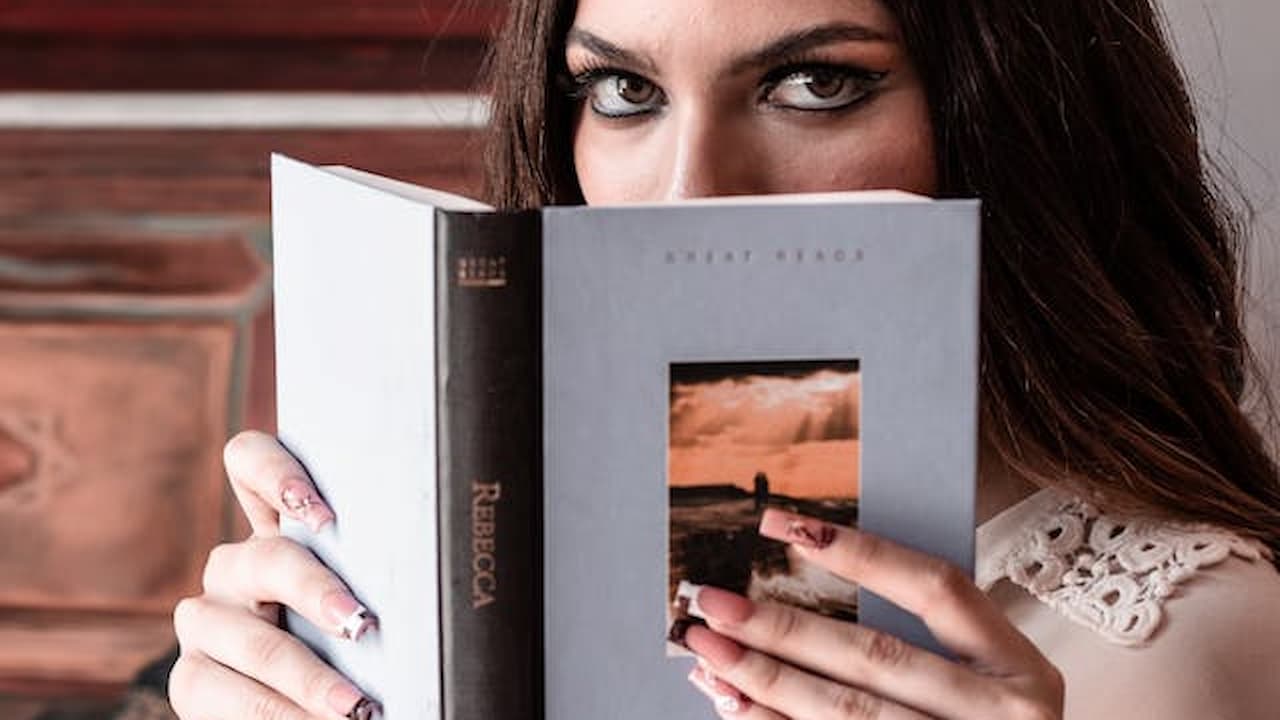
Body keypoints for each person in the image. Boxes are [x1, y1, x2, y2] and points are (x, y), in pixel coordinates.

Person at [166, 0, 1280, 718]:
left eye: (815, 85)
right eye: (624, 92)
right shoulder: (504, 556)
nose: (688, 191)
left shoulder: (1173, 640)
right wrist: (310, 665)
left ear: (1024, 120)